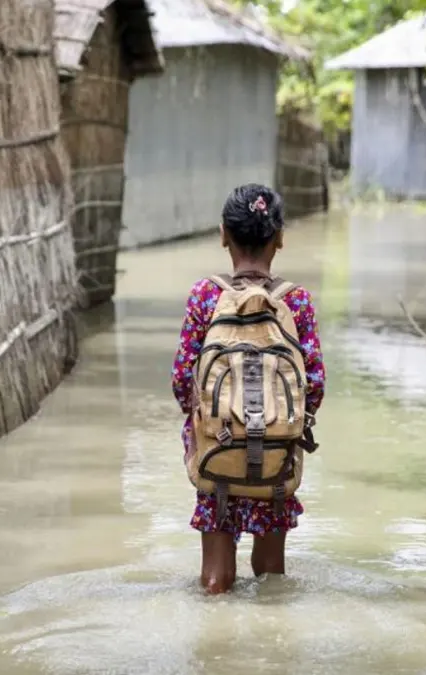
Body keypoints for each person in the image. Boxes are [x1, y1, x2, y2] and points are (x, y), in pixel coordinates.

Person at [170, 183, 326, 595]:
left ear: (223, 234)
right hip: (276, 455)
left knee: (216, 580)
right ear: (280, 238)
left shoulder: (206, 296)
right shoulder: (297, 302)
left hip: (216, 449)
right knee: (271, 577)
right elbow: (315, 387)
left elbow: (183, 378)